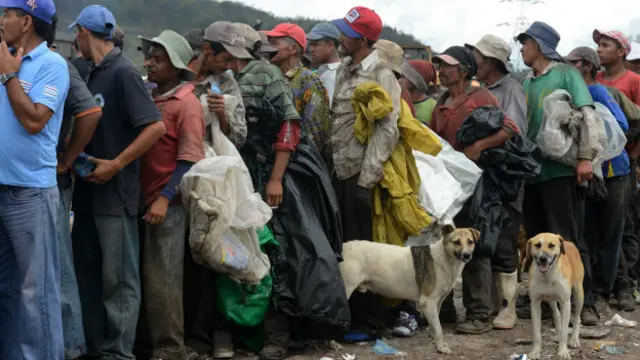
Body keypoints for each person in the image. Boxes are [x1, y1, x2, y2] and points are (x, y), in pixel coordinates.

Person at [220, 22, 348, 360]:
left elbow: (292, 127)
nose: (272, 45)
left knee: (283, 252)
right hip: (238, 175)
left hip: (276, 174)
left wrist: (277, 178)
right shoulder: (223, 76)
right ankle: (241, 329)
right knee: (240, 249)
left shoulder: (273, 77)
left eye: (277, 41)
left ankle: (279, 334)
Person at [69, 5, 165, 360]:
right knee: (88, 275)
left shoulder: (123, 72)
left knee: (119, 281)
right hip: (89, 195)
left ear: (82, 33)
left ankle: (119, 353)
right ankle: (96, 347)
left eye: (77, 33)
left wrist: (118, 163)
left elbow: (155, 127)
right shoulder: (92, 72)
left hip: (116, 195)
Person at [430, 46, 520, 335]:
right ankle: (444, 309)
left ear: (465, 70)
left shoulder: (480, 97)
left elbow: (509, 128)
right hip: (448, 184)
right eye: (439, 66)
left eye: (447, 66)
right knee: (443, 242)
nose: (441, 71)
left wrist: (479, 147)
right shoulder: (442, 101)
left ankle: (479, 314)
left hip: (479, 183)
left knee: (475, 245)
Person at [0, 1, 69, 359]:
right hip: (2, 186)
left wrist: (10, 76)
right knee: (7, 288)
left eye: (6, 14)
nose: (1, 21)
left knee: (34, 293)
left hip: (29, 193)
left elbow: (34, 121)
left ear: (26, 21)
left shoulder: (51, 65)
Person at [517, 21, 598, 325]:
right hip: (533, 172)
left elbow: (587, 115)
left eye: (525, 43)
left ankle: (585, 302)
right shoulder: (526, 81)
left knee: (569, 240)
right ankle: (544, 299)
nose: (522, 49)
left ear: (537, 45)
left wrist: (586, 157)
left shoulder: (566, 74)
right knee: (538, 240)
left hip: (560, 171)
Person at [329, 6, 401, 334]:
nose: (340, 36)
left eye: (346, 32)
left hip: (360, 173)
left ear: (362, 39)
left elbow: (387, 129)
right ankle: (349, 317)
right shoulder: (344, 69)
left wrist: (366, 180)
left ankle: (368, 321)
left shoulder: (381, 73)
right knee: (346, 246)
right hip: (338, 169)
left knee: (364, 250)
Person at [137, 30, 205, 360]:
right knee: (146, 276)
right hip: (142, 199)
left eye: (158, 59)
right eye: (150, 56)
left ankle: (170, 348)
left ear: (176, 67)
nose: (149, 63)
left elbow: (190, 159)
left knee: (164, 279)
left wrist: (165, 196)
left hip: (168, 204)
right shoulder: (151, 95)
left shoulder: (187, 104)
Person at [465, 34, 527, 330]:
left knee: (504, 240)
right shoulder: (483, 89)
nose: (473, 63)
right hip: (487, 178)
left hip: (506, 179)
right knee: (486, 237)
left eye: (476, 57)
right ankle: (488, 306)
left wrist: (480, 146)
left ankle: (507, 308)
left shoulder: (510, 90)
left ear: (489, 62)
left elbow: (513, 131)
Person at [565, 46, 632, 314]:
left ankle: (606, 288)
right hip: (590, 173)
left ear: (587, 66)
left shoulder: (597, 92)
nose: (568, 66)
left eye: (573, 62)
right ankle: (594, 288)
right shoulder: (572, 95)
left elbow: (621, 125)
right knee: (590, 231)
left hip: (614, 172)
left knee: (611, 232)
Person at [49, 40, 103, 360]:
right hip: (16, 178)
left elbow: (89, 112)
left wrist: (67, 159)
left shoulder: (55, 63)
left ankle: (72, 345)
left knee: (58, 260)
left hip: (50, 180)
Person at [265, 23, 331, 152]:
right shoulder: (270, 77)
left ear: (293, 49)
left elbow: (315, 134)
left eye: (275, 43)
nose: (269, 48)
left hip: (297, 160)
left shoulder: (308, 80)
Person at [307, 22, 342, 104]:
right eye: (310, 45)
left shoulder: (335, 75)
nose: (311, 49)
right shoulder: (323, 71)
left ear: (330, 45)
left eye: (315, 45)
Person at [399, 60, 438, 124]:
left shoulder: (433, 107)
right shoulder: (399, 101)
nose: (399, 80)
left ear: (416, 81)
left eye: (403, 77)